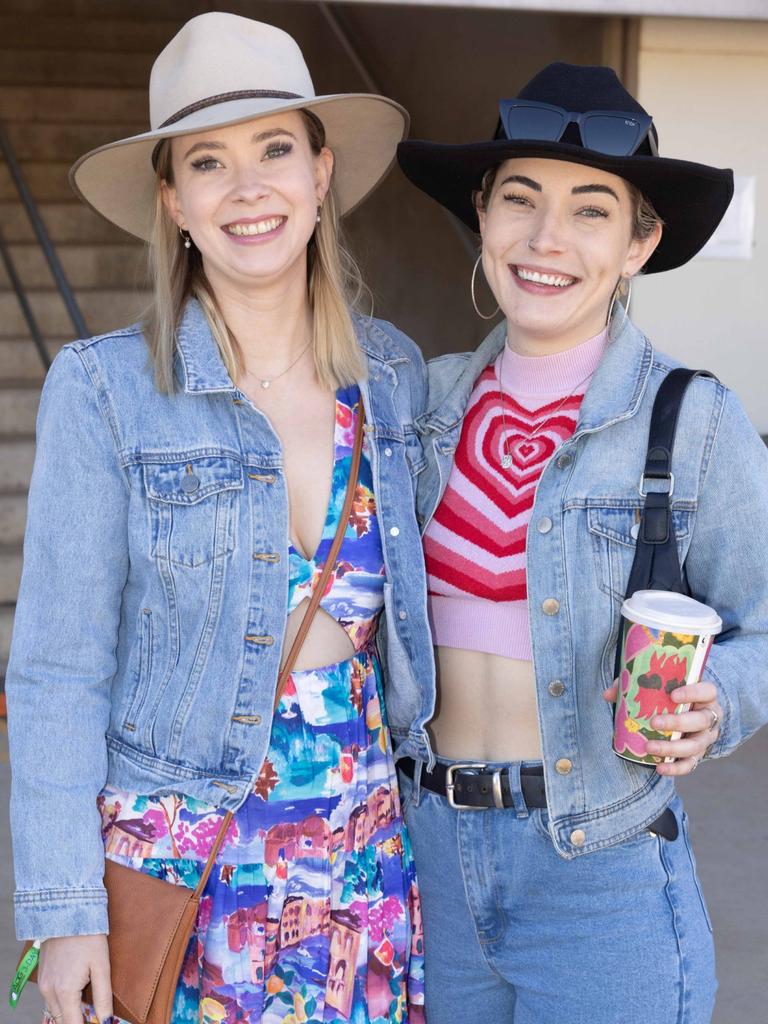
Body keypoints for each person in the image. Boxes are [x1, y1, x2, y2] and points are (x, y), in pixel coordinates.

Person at [7, 13, 431, 1024]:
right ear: (174, 199)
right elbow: (58, 669)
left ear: (321, 171)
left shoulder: (394, 378)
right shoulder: (106, 389)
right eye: (208, 161)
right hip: (186, 874)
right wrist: (64, 911)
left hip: (362, 858)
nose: (248, 188)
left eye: (275, 149)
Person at [394, 62, 768, 1023]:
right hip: (421, 853)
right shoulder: (421, 405)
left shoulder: (693, 421)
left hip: (599, 874)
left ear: (641, 241)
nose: (545, 239)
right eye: (519, 198)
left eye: (591, 210)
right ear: (481, 214)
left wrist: (718, 699)